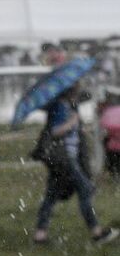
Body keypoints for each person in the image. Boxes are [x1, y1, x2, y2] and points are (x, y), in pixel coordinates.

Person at [32, 86, 118, 245]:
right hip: (65, 159)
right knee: (85, 189)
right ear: (70, 92)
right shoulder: (60, 106)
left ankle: (40, 235)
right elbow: (55, 131)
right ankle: (97, 233)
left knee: (51, 196)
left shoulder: (68, 106)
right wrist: (72, 123)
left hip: (64, 159)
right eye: (76, 90)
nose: (79, 93)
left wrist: (78, 128)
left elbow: (86, 97)